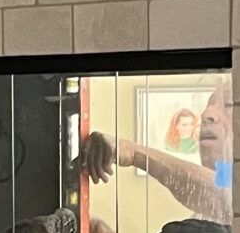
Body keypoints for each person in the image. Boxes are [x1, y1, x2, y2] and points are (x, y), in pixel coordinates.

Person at [82, 84, 232, 225]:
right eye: (208, 106)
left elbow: (228, 194)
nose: (206, 114)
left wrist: (133, 153)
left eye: (229, 104)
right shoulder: (203, 215)